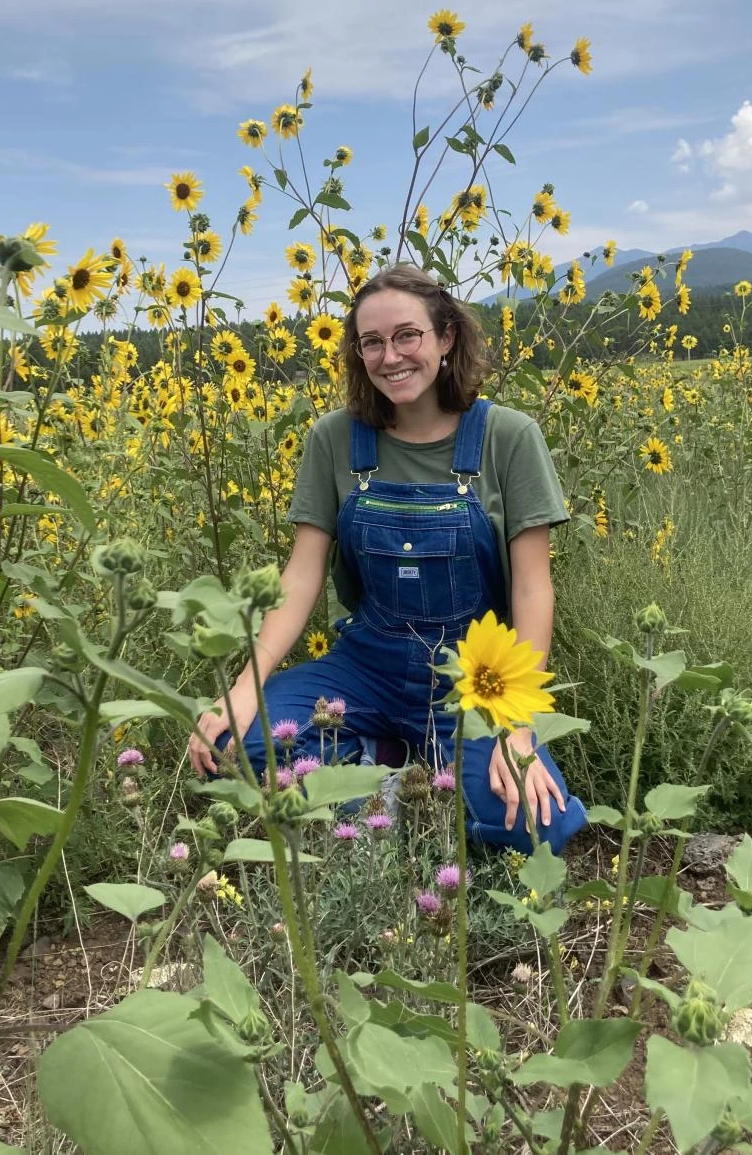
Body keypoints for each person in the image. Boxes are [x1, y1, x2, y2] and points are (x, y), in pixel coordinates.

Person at [188, 264, 586, 854]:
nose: (389, 356)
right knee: (243, 744)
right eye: (370, 342)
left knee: (533, 823)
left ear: (447, 337)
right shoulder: (334, 439)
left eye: (407, 335)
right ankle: (401, 777)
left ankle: (387, 787)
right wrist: (246, 686)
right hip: (365, 665)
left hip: (474, 676)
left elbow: (532, 589)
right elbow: (300, 577)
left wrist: (517, 727)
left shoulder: (509, 437)